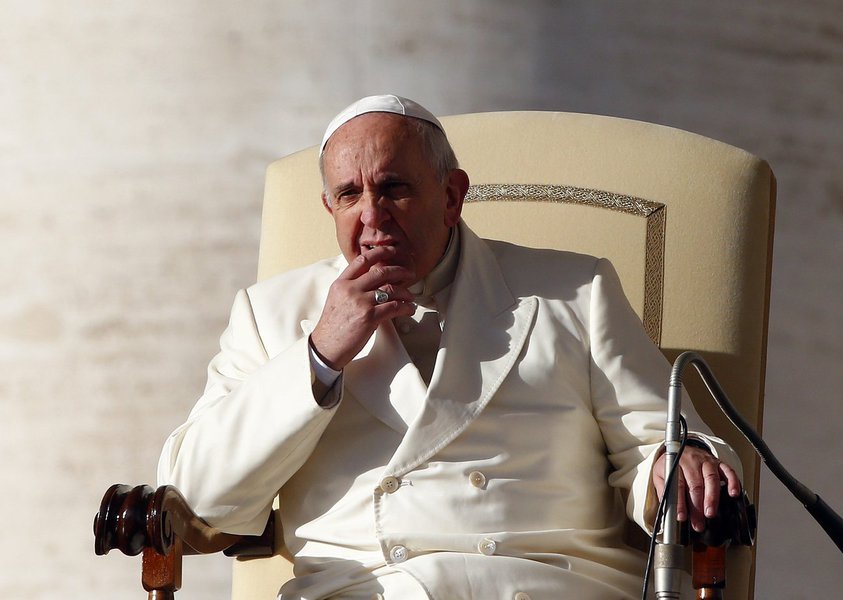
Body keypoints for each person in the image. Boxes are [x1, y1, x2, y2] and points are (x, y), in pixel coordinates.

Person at [158, 95, 742, 599]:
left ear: (451, 195)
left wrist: (675, 463)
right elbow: (196, 499)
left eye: (394, 189)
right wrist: (319, 355)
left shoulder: (575, 291)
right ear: (329, 208)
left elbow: (658, 438)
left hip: (547, 585)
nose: (372, 217)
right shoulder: (268, 314)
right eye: (349, 195)